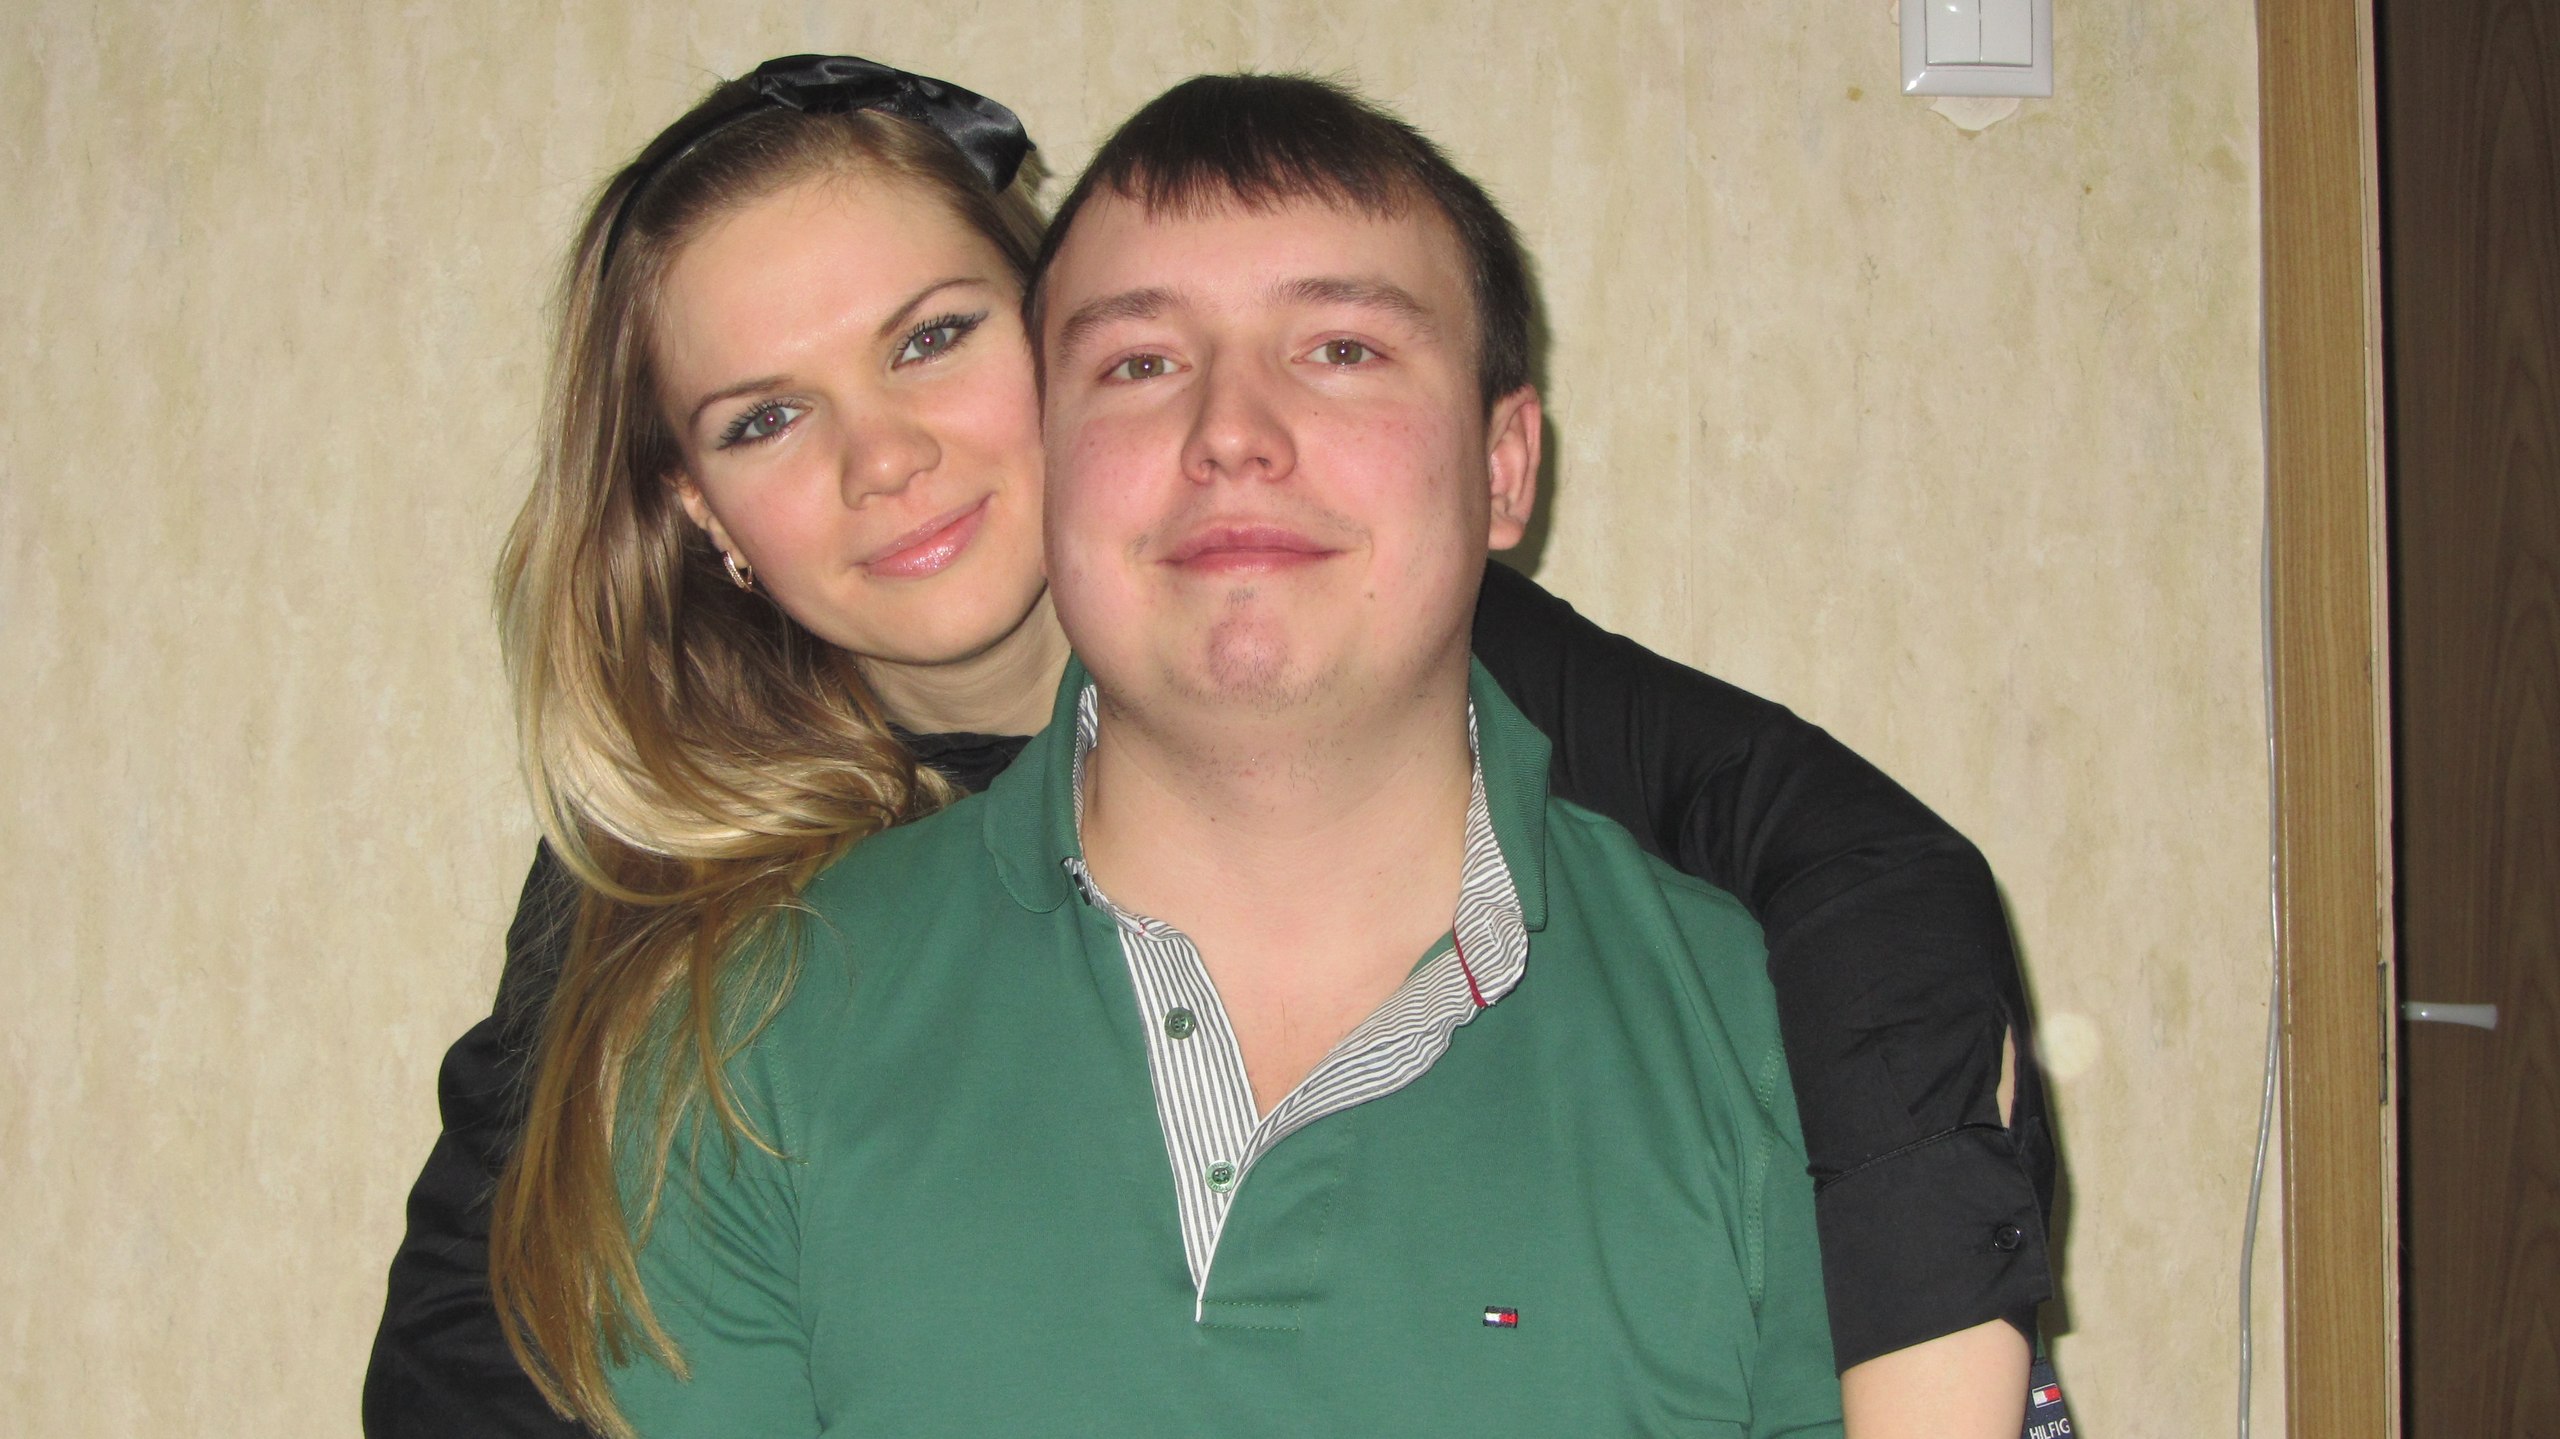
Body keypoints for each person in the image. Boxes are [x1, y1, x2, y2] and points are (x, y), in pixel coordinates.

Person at [361, 56, 2050, 1439]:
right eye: (767, 415)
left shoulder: (1429, 645)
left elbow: (1869, 879)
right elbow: (460, 1366)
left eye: (932, 339)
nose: (883, 459)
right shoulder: (686, 917)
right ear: (700, 518)